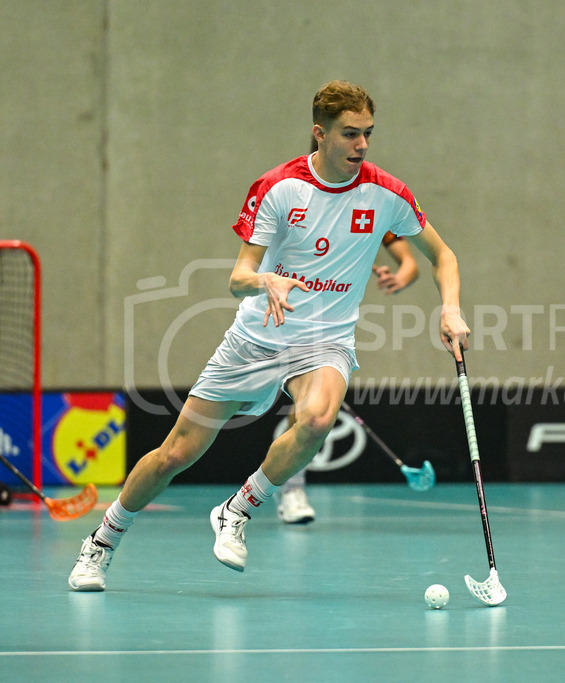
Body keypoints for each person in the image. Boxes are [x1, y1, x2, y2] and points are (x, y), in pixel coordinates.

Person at [68, 80, 470, 591]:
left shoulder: (386, 193)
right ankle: (101, 541)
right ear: (319, 134)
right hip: (256, 337)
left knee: (318, 418)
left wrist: (450, 309)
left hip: (325, 341)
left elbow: (444, 256)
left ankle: (238, 509)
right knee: (175, 454)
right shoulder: (278, 187)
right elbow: (237, 278)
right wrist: (265, 280)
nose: (362, 145)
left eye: (368, 133)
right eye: (350, 134)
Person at [275, 230, 419, 524]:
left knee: (308, 406)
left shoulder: (374, 207)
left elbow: (409, 262)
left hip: (333, 320)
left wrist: (399, 277)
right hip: (288, 310)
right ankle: (280, 490)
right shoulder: (300, 201)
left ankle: (291, 488)